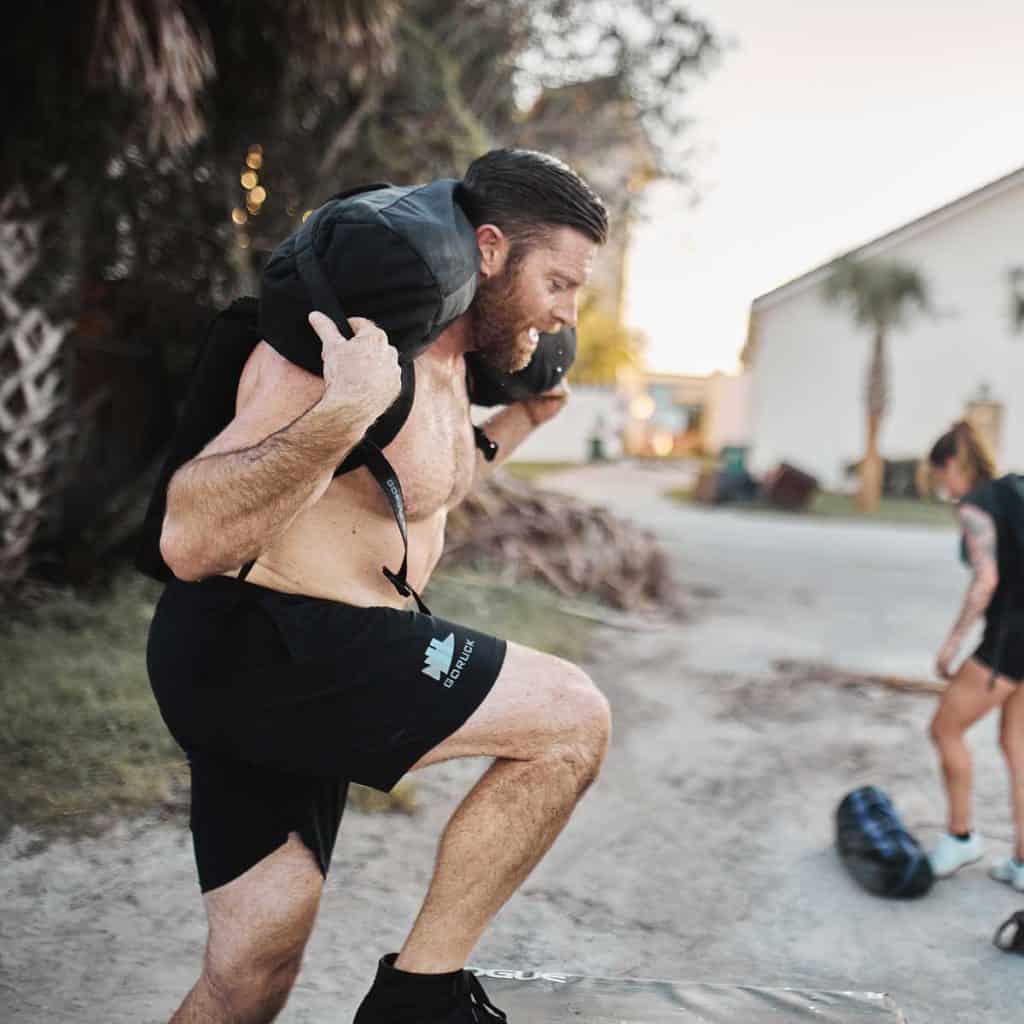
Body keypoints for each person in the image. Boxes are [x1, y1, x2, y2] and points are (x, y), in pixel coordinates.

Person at [146, 149, 612, 1023]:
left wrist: (519, 418)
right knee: (571, 720)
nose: (564, 315)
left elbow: (416, 480)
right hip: (271, 641)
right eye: (558, 282)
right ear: (488, 249)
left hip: (287, 663)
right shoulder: (348, 347)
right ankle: (418, 1001)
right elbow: (190, 532)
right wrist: (340, 410)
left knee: (252, 967)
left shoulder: (445, 363)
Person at [925, 420, 1024, 887]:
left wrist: (951, 644)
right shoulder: (1015, 490)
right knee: (1017, 745)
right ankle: (1023, 864)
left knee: (945, 728)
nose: (943, 487)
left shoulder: (977, 505)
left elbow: (985, 581)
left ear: (952, 465)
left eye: (941, 477)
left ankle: (961, 836)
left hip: (1010, 640)